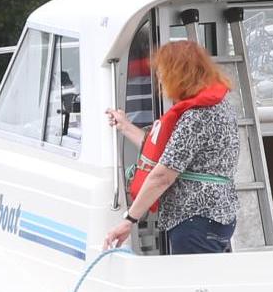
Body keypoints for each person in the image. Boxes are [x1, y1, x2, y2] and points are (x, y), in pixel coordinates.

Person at [100, 39, 240, 254]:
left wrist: (129, 220)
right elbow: (169, 152)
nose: (159, 79)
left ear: (178, 74)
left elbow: (162, 176)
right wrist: (125, 126)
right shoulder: (220, 107)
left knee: (194, 277)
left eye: (162, 73)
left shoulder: (196, 117)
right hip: (219, 216)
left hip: (195, 219)